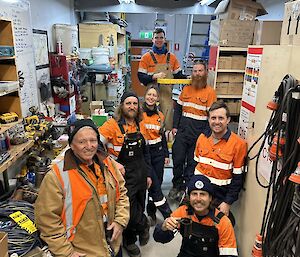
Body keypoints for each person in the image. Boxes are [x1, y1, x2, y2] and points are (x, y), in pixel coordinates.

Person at [35, 119, 130, 257]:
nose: (89, 146)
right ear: (71, 145)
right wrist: (66, 252)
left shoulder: (107, 163)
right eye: (82, 142)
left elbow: (122, 194)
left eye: (93, 140)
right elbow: (47, 220)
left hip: (113, 243)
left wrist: (120, 221)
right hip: (82, 251)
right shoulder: (57, 176)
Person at [99, 91, 152, 257]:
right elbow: (97, 147)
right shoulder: (112, 125)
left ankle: (134, 236)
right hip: (122, 177)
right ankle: (135, 235)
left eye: (135, 104)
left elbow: (145, 152)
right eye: (128, 103)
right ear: (122, 106)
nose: (132, 106)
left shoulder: (141, 125)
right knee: (127, 211)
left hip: (140, 174)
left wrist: (148, 174)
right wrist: (112, 162)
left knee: (139, 205)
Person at [153, 175, 238, 257]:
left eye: (202, 194)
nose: (198, 199)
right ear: (189, 197)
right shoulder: (183, 212)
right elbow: (160, 238)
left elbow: (229, 255)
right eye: (194, 194)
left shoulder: (223, 222)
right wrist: (163, 228)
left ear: (210, 198)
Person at [169, 61, 217, 201]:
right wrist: (175, 126)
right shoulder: (186, 90)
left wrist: (206, 136)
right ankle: (176, 186)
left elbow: (212, 117)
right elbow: (177, 109)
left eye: (200, 71)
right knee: (177, 160)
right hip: (183, 132)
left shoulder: (210, 93)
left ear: (205, 72)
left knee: (192, 163)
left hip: (199, 134)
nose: (197, 74)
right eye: (195, 71)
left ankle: (186, 189)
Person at [193, 100, 247, 224]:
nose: (217, 122)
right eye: (213, 118)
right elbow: (194, 166)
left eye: (221, 118)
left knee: (220, 228)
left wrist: (227, 203)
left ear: (228, 120)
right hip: (199, 191)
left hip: (220, 196)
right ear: (208, 119)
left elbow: (238, 179)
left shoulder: (238, 144)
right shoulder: (201, 138)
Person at [138, 28, 186, 130]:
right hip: (151, 95)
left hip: (166, 95)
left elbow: (178, 75)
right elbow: (141, 77)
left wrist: (189, 78)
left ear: (164, 39)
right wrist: (154, 77)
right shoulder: (146, 57)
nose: (159, 40)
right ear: (152, 40)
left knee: (167, 120)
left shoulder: (172, 57)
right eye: (156, 38)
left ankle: (167, 140)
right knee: (148, 119)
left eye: (161, 38)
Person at [140, 85, 172, 225]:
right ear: (145, 96)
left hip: (158, 152)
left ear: (157, 98)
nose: (151, 97)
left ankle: (151, 211)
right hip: (144, 153)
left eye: (154, 95)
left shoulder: (160, 116)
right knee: (152, 184)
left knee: (156, 182)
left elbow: (163, 136)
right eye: (149, 94)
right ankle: (167, 214)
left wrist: (166, 154)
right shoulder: (139, 114)